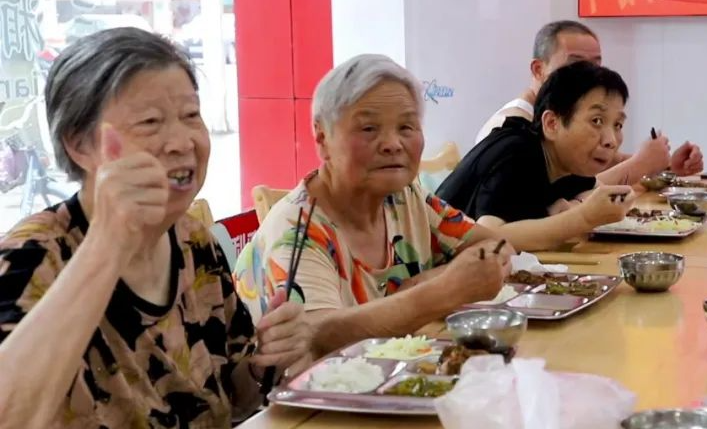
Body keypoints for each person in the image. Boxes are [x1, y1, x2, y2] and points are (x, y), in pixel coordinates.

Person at [0, 28, 311, 428]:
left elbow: (232, 400)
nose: (182, 141)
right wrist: (109, 244)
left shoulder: (194, 239)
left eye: (191, 116)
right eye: (150, 122)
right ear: (80, 145)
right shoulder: (31, 258)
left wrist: (264, 363)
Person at [234, 54, 515, 357]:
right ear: (322, 137)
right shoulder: (297, 230)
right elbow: (318, 337)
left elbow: (495, 246)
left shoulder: (405, 197)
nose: (392, 143)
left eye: (406, 127)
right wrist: (442, 291)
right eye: (369, 129)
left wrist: (420, 284)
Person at [437, 61, 636, 251]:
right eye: (597, 121)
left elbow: (593, 191)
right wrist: (583, 218)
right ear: (551, 124)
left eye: (617, 125)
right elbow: (488, 237)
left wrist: (576, 206)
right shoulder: (517, 153)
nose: (611, 140)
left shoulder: (566, 160)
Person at [475, 20, 703, 184]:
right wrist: (641, 165)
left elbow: (604, 163)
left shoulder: (569, 117)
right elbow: (560, 197)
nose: (588, 75)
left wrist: (665, 165)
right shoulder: (509, 129)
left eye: (596, 65)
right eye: (576, 64)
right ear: (538, 69)